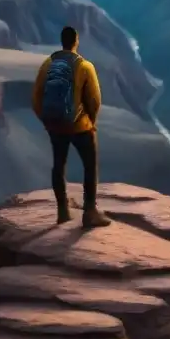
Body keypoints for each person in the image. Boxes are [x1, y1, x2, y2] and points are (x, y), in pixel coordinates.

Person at [32, 26, 112, 228]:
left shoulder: (47, 64)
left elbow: (36, 97)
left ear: (61, 41)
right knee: (89, 166)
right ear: (76, 41)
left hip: (56, 126)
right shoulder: (85, 66)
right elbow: (94, 100)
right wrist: (90, 122)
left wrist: (47, 121)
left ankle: (62, 212)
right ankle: (90, 212)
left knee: (58, 165)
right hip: (80, 127)